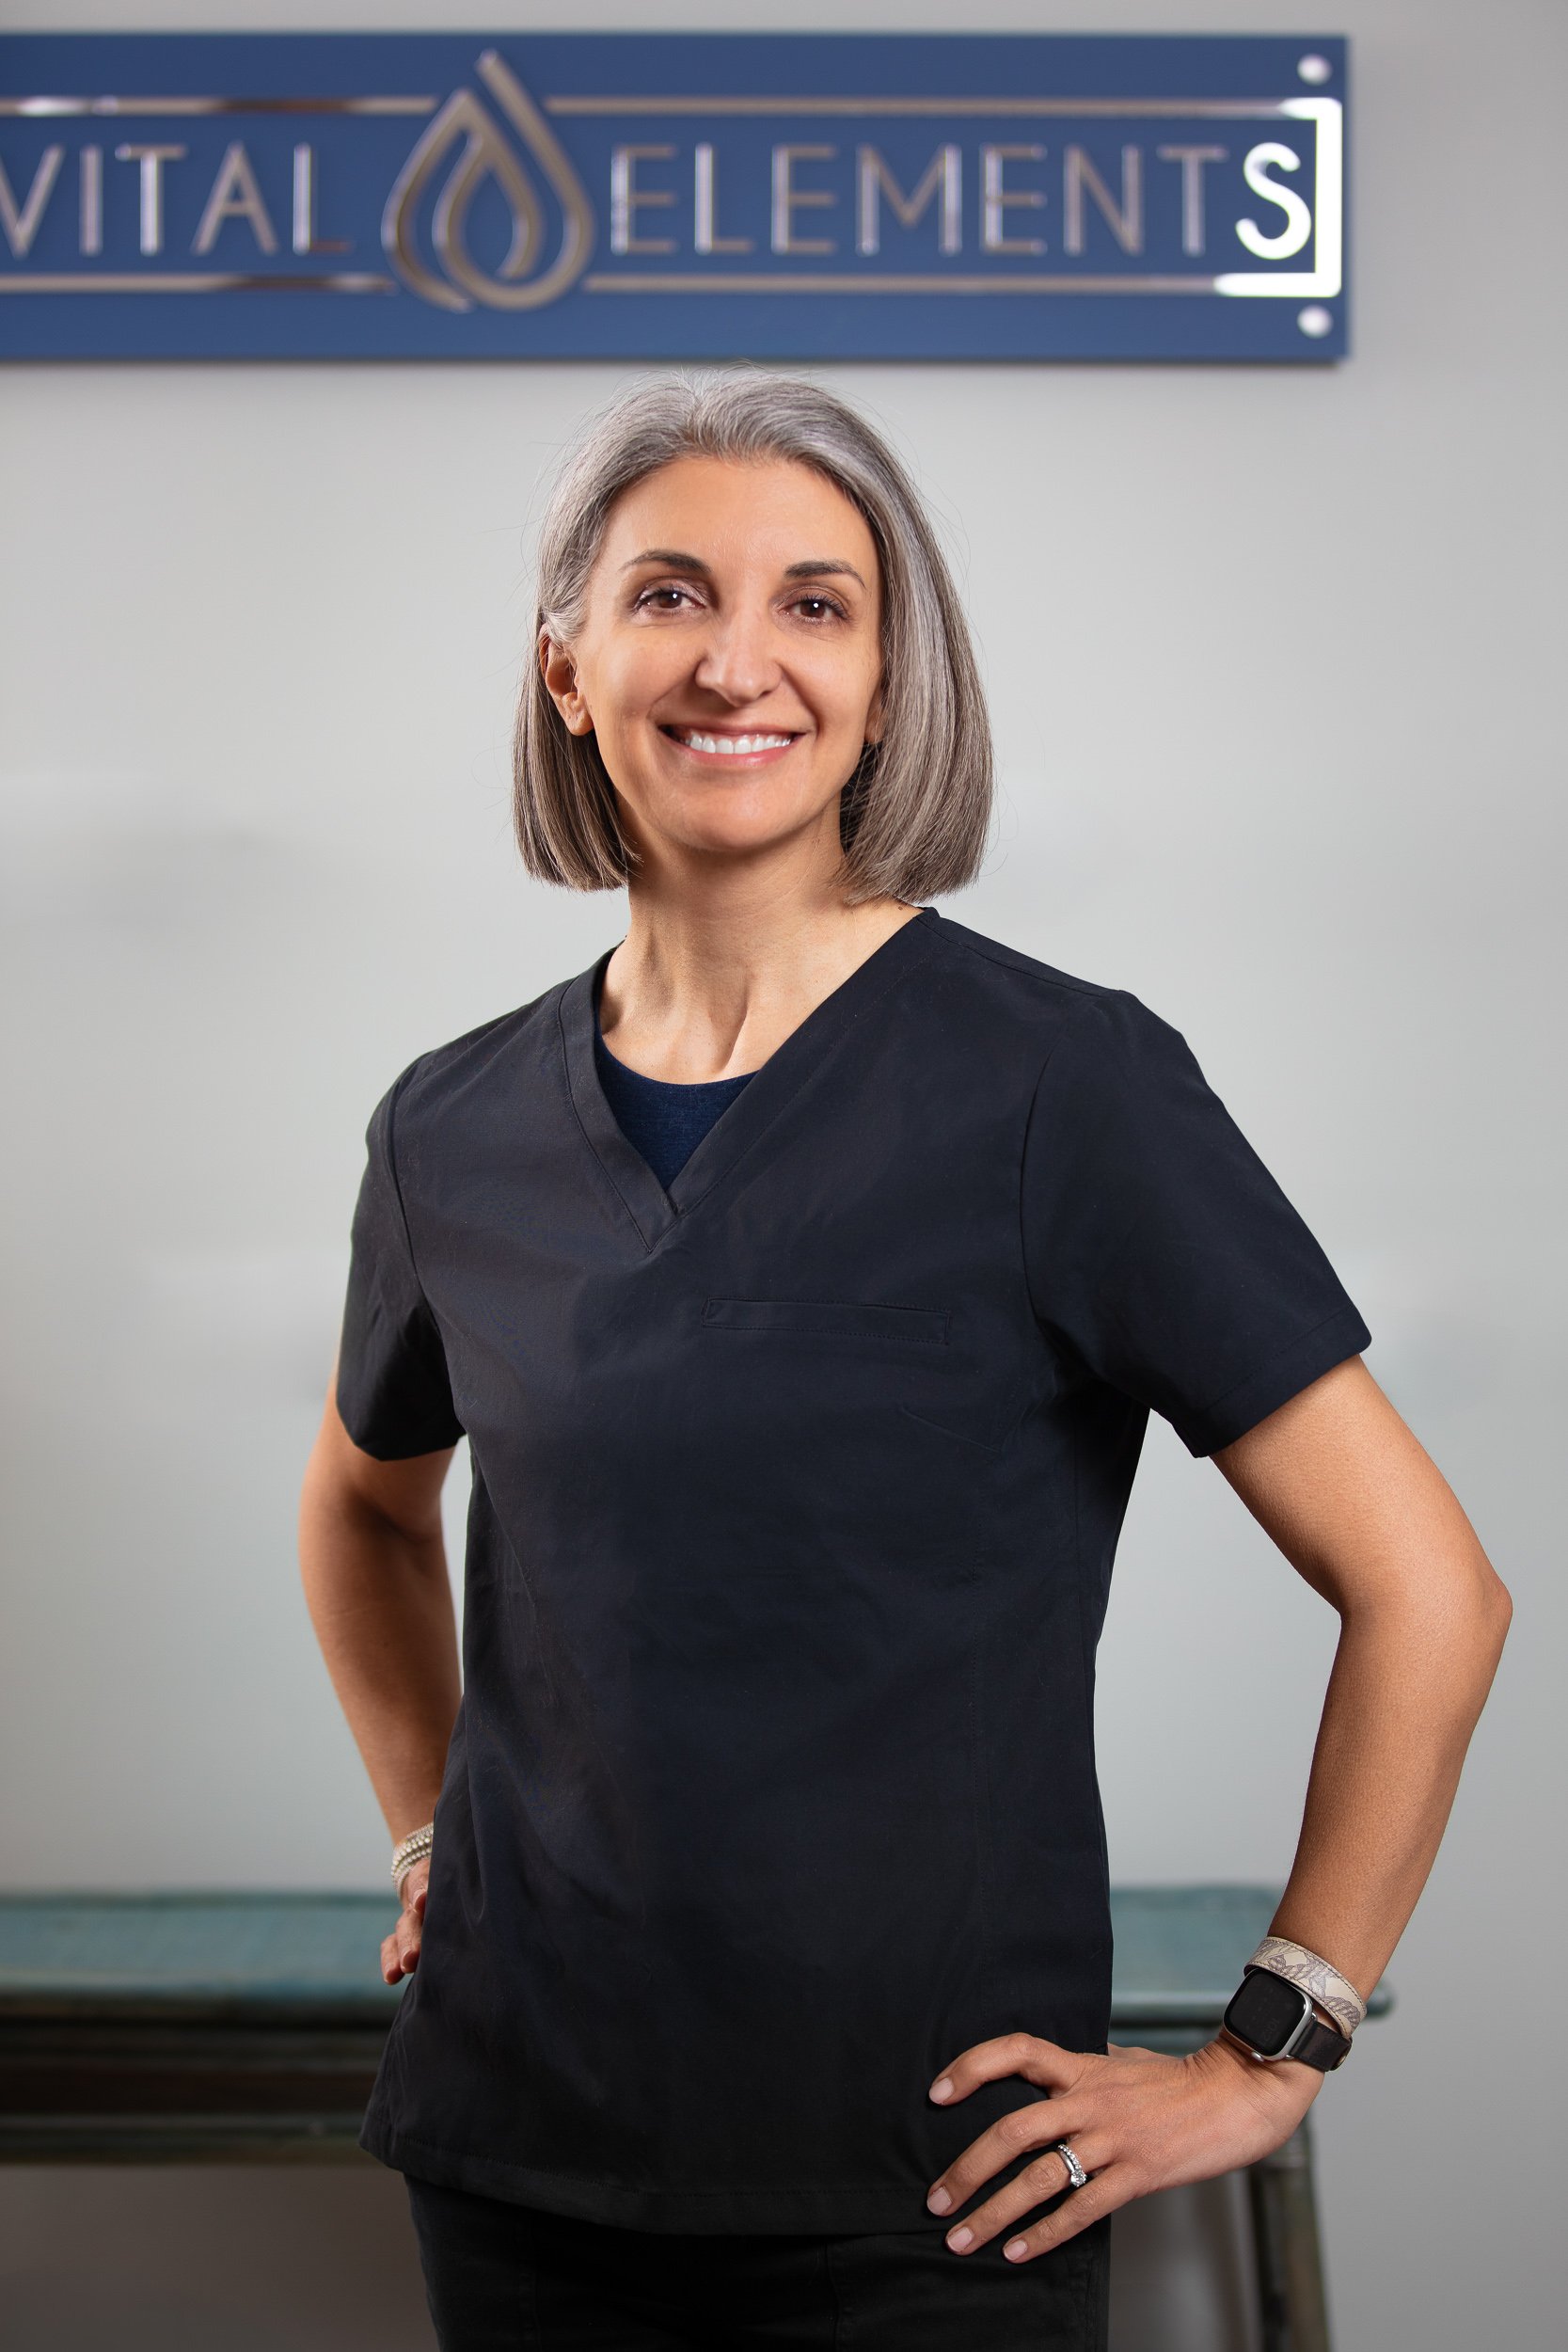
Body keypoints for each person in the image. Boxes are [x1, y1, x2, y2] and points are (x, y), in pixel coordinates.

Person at [297, 371, 1511, 2351]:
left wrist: (1276, 2043)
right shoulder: (454, 1127)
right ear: (569, 665)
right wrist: (432, 1829)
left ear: (886, 678)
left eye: (817, 603)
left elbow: (1430, 1590)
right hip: (518, 2151)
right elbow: (361, 1507)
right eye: (669, 593)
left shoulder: (1065, 1087)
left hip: (932, 2187)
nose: (737, 658)